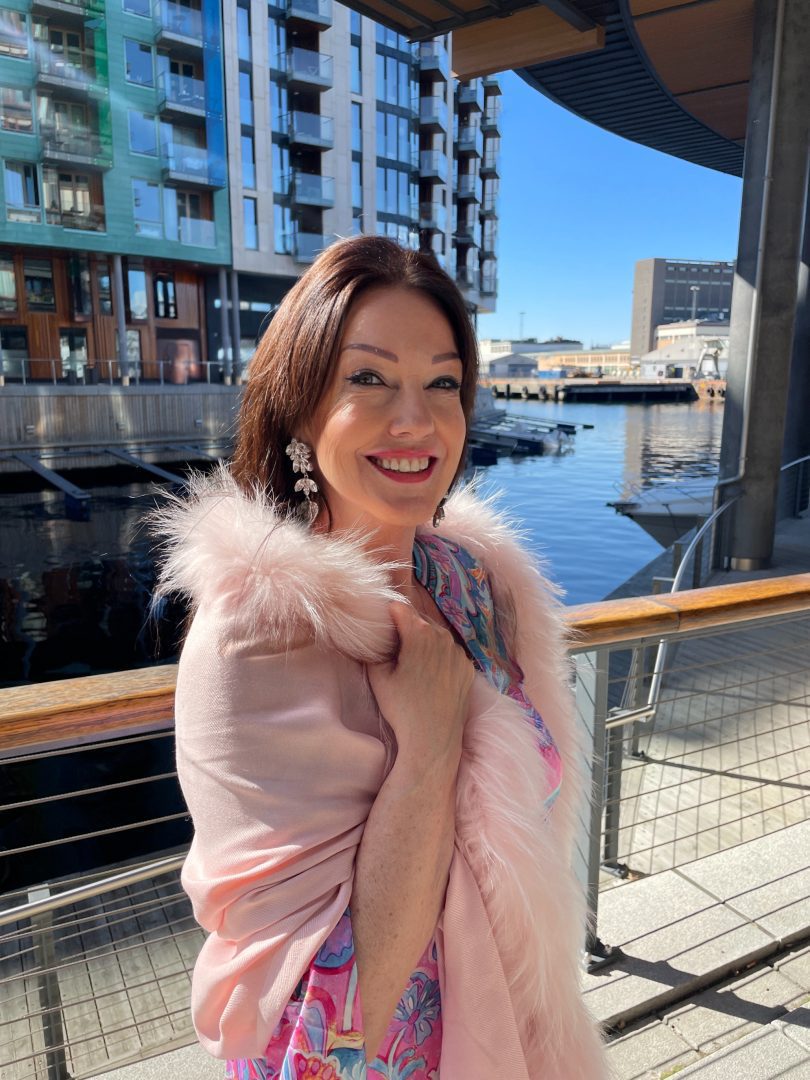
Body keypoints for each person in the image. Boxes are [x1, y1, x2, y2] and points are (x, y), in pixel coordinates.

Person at [153, 236, 607, 1080]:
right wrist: (428, 749)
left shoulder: (467, 582)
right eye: (368, 378)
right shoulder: (258, 637)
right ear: (298, 411)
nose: (417, 421)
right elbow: (316, 1034)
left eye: (443, 383)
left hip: (516, 1039)